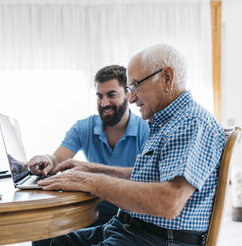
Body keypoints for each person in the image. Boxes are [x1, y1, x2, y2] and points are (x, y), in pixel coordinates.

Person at [36, 44, 227, 246]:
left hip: (156, 238)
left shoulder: (191, 122)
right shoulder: (166, 121)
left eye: (135, 86)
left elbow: (169, 202)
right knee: (44, 238)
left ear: (167, 78)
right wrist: (88, 168)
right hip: (128, 228)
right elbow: (146, 178)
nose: (132, 97)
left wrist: (88, 180)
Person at [26, 65, 150, 227]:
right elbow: (57, 159)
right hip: (96, 205)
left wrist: (90, 170)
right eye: (99, 96)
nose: (104, 103)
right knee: (46, 226)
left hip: (130, 208)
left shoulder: (145, 129)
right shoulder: (84, 127)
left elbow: (148, 176)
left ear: (128, 95)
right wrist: (46, 159)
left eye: (111, 95)